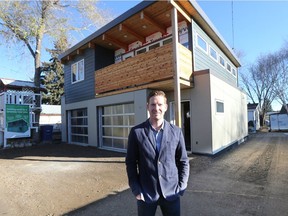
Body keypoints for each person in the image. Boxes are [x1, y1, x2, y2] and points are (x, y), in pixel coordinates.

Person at [125, 90, 190, 216]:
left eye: (160, 104)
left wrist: (182, 186)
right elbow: (131, 163)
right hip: (146, 194)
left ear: (165, 107)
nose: (156, 108)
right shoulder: (136, 132)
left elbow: (183, 161)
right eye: (153, 104)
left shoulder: (176, 132)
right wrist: (136, 189)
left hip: (172, 192)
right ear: (147, 106)